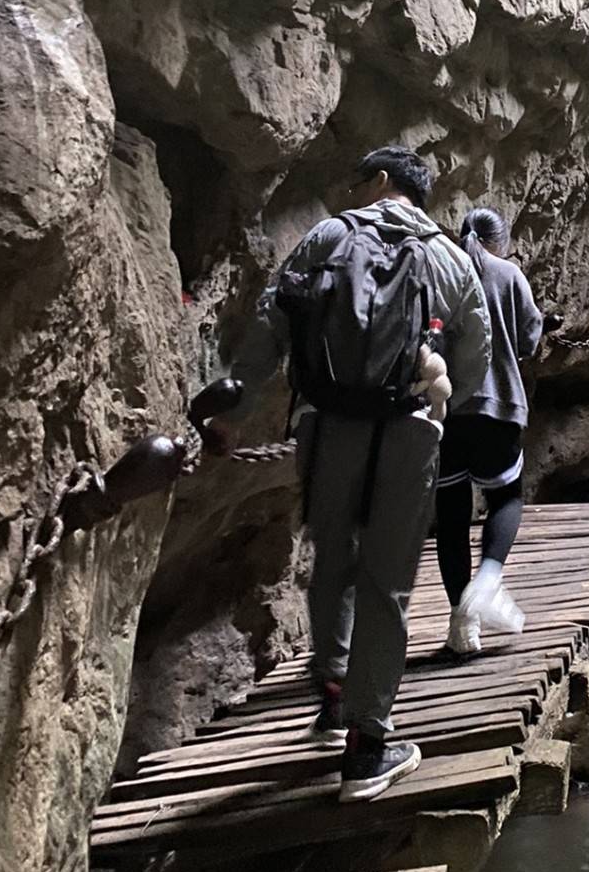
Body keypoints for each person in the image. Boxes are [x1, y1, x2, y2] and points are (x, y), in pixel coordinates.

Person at [221, 146, 491, 802]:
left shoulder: (327, 236)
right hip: (410, 430)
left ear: (378, 180)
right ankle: (368, 747)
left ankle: (334, 693)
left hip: (327, 423)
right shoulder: (449, 259)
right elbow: (477, 355)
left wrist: (232, 404)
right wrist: (441, 396)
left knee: (332, 559)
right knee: (386, 582)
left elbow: (273, 321)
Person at [436, 207, 545, 654]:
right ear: (500, 239)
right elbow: (529, 338)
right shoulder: (508, 273)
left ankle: (462, 629)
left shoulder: (439, 271)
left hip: (443, 412)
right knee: (507, 496)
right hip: (498, 405)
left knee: (450, 517)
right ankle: (488, 577)